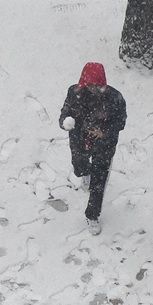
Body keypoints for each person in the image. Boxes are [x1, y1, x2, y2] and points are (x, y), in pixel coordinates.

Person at [59, 62, 127, 235]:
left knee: (99, 181)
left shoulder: (115, 97)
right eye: (89, 84)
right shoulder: (74, 93)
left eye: (96, 85)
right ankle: (84, 172)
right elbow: (65, 112)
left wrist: (103, 131)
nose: (92, 88)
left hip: (104, 144)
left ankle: (93, 214)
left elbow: (121, 121)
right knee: (79, 166)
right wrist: (66, 122)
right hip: (80, 138)